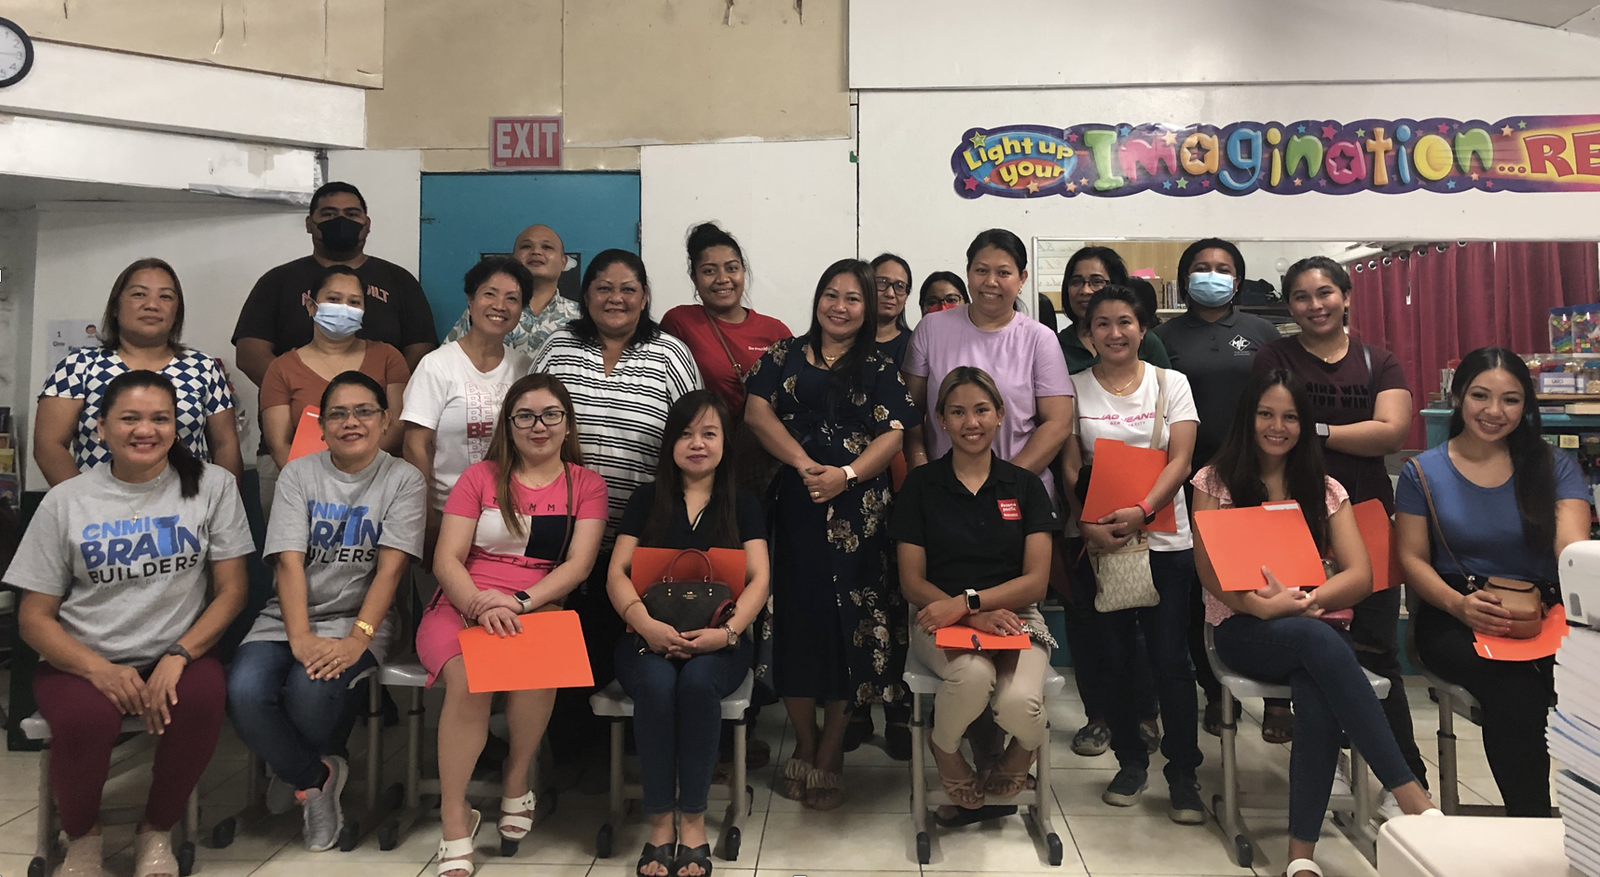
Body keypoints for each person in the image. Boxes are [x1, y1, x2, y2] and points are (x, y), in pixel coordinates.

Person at [8, 370, 253, 877]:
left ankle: (156, 830)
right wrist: (98, 670)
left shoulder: (212, 486)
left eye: (160, 418)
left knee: (202, 701)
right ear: (101, 428)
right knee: (87, 720)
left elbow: (232, 591)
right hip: (82, 657)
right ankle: (82, 838)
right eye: (129, 418)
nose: (146, 430)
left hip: (178, 650)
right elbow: (33, 618)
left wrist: (179, 655)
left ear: (176, 427)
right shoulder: (66, 500)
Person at [1196, 369, 1438, 877]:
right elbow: (1209, 572)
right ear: (1248, 418)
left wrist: (1308, 600)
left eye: (1289, 417)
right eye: (1266, 414)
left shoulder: (1325, 488)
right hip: (1242, 628)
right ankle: (1410, 794)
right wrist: (1262, 607)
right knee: (1320, 644)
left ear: (1305, 425)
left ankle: (1300, 856)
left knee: (1316, 681)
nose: (1277, 426)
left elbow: (1360, 575)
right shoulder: (1214, 481)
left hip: (1309, 624)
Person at [743, 258, 916, 810]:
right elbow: (756, 413)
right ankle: (805, 737)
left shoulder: (880, 365)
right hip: (794, 506)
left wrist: (846, 475)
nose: (839, 307)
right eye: (831, 295)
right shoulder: (783, 355)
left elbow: (894, 434)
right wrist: (804, 466)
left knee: (853, 626)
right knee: (795, 620)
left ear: (868, 308)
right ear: (817, 298)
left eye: (853, 298)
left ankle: (833, 746)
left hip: (860, 513)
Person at [417, 374, 607, 877]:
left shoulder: (586, 485)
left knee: (538, 668)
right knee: (468, 680)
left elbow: (578, 565)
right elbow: (446, 559)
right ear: (509, 424)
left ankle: (516, 776)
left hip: (534, 604)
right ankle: (454, 816)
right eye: (525, 416)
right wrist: (481, 605)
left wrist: (519, 602)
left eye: (551, 415)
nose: (538, 426)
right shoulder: (479, 477)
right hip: (462, 602)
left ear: (568, 424)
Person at [228, 371, 424, 851]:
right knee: (243, 691)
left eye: (364, 412)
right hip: (287, 617)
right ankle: (315, 777)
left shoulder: (404, 479)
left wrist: (357, 639)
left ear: (385, 421)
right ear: (320, 426)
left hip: (359, 621)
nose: (350, 422)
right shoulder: (298, 474)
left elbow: (390, 572)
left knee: (310, 692)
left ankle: (295, 768)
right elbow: (288, 563)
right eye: (337, 413)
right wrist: (299, 637)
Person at [1254, 256, 1426, 802]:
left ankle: (1407, 777)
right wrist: (1351, 431)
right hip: (1290, 519)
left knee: (1375, 650)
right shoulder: (1275, 357)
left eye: (1325, 292)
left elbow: (1392, 433)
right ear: (1290, 305)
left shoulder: (1379, 362)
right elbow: (1264, 428)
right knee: (1310, 643)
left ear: (1347, 296)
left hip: (1368, 517)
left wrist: (1314, 429)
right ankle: (1324, 769)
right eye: (1301, 297)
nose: (1315, 305)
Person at [530, 248, 701, 780]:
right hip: (557, 531)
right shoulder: (558, 346)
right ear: (586, 295)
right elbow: (527, 417)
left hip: (639, 532)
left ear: (645, 296)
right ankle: (567, 760)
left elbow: (693, 435)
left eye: (628, 288)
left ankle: (624, 758)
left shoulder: (670, 353)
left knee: (618, 642)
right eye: (604, 287)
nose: (616, 298)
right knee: (560, 646)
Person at [1397, 347, 1589, 818]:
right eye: (1480, 396)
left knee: (1587, 679)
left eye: (1511, 400)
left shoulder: (1553, 465)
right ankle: (1532, 826)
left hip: (1543, 613)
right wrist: (1458, 606)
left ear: (1526, 406)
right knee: (1516, 690)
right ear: (1458, 396)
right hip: (1455, 614)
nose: (1494, 411)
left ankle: (1587, 821)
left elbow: (1572, 551)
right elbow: (1411, 559)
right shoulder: (1423, 471)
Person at [606, 390, 769, 877]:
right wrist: (646, 625)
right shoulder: (646, 499)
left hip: (721, 641)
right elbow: (616, 573)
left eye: (709, 434)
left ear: (725, 443)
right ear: (670, 443)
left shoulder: (742, 503)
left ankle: (694, 821)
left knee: (698, 684)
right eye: (686, 434)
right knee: (657, 685)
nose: (697, 444)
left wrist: (730, 633)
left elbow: (760, 578)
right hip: (645, 637)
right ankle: (660, 823)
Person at [1062, 285, 1204, 823]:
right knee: (1115, 659)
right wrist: (1086, 522)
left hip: (1165, 541)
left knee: (1170, 660)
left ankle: (1183, 773)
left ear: (1143, 329)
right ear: (1088, 333)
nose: (1114, 332)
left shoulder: (1171, 384)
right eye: (1102, 323)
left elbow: (1181, 460)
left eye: (1125, 321)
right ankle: (1130, 761)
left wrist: (1144, 509)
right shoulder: (1072, 389)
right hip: (1104, 543)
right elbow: (1069, 465)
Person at [893, 367, 1058, 812]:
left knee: (1019, 703)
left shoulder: (1024, 485)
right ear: (941, 420)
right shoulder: (921, 485)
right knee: (973, 677)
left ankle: (1023, 749)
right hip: (938, 616)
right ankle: (944, 747)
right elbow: (911, 581)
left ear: (1000, 414)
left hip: (1017, 617)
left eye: (982, 410)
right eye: (957, 412)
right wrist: (968, 614)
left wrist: (972, 603)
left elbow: (1036, 581)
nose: (971, 422)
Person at [234, 181, 438, 510]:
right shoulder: (278, 281)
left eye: (351, 214)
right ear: (309, 223)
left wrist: (359, 421)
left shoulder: (398, 281)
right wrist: (300, 390)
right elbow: (250, 352)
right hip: (291, 455)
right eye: (329, 214)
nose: (340, 221)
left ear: (366, 224)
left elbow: (420, 351)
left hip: (379, 459)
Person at [1152, 239, 1282, 736]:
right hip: (1185, 482)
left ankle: (1277, 699)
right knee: (1198, 593)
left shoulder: (1262, 333)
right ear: (1185, 279)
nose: (1212, 275)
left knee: (1264, 579)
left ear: (1238, 279)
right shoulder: (1163, 337)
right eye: (1201, 267)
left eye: (1223, 268)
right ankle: (1214, 691)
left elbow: (1279, 402)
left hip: (1254, 480)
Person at [35, 258, 243, 486]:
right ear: (116, 306)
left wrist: (221, 500)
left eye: (166, 296)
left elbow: (225, 445)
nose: (152, 305)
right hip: (98, 504)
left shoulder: (203, 368)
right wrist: (83, 501)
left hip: (188, 502)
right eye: (139, 294)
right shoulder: (78, 366)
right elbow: (49, 446)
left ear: (177, 311)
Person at [902, 230, 1073, 499]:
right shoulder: (931, 329)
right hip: (942, 492)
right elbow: (909, 410)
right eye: (981, 271)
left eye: (1003, 273)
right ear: (968, 273)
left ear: (1022, 278)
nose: (991, 282)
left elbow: (1058, 423)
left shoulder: (1039, 339)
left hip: (1019, 490)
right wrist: (921, 468)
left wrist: (1004, 483)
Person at [403, 257, 535, 562]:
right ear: (471, 300)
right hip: (445, 512)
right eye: (490, 293)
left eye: (512, 298)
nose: (500, 305)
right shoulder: (437, 365)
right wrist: (427, 519)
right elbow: (415, 446)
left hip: (508, 514)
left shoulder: (525, 367)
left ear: (521, 310)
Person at [259, 265, 410, 473]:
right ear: (311, 306)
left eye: (354, 302)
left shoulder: (388, 357)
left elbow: (397, 427)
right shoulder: (281, 368)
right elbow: (279, 445)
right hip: (306, 482)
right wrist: (318, 483)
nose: (344, 308)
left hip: (379, 478)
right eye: (333, 299)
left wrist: (354, 472)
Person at [659, 223, 790, 417]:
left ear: (743, 271)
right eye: (709, 271)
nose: (722, 279)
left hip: (765, 435)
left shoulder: (775, 331)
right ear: (694, 278)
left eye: (732, 268)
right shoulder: (680, 322)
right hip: (704, 434)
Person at [443, 224, 583, 358]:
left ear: (564, 262)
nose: (536, 252)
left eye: (547, 247)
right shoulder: (484, 311)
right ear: (512, 259)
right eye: (526, 246)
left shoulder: (581, 317)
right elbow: (448, 360)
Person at [1057, 246, 1170, 374]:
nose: (1085, 290)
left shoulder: (1143, 340)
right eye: (1076, 282)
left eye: (1097, 281)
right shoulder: (1057, 345)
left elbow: (1165, 383)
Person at [870, 253, 914, 366]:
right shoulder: (846, 339)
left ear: (906, 296)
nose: (890, 293)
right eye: (882, 282)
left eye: (900, 286)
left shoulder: (914, 345)